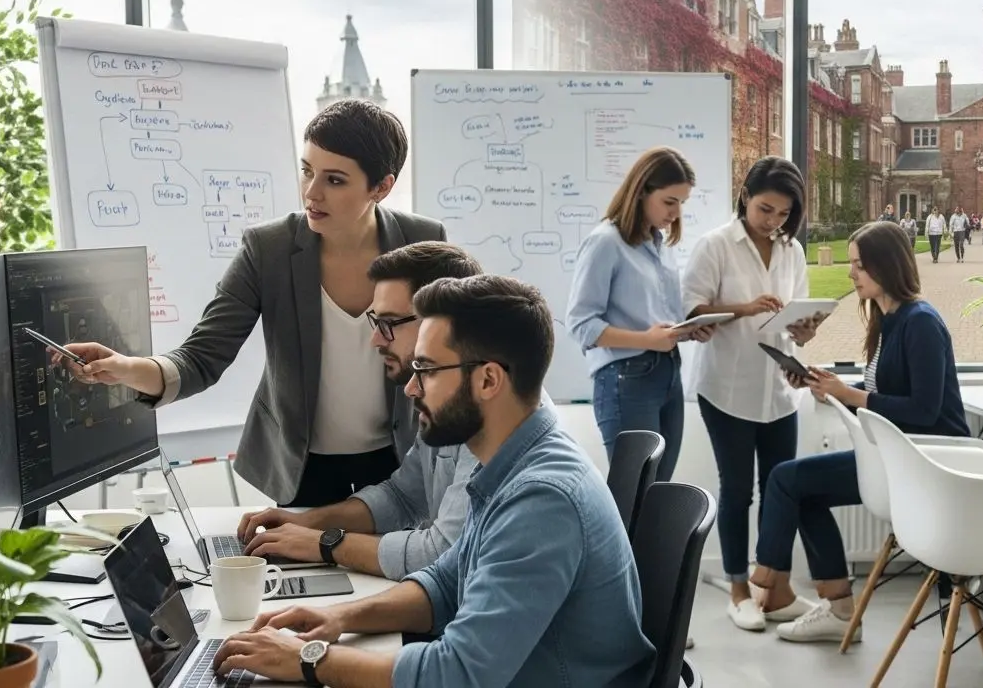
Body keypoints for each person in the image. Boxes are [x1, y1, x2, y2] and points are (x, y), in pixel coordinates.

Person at [212, 275, 655, 686]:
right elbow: (445, 584)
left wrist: (309, 659)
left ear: (487, 380)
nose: (410, 388)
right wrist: (338, 618)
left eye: (426, 370)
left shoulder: (541, 500)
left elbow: (458, 675)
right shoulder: (507, 463)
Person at [53, 99, 445, 507]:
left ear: (381, 187)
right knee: (302, 569)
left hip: (400, 459)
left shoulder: (424, 241)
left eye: (335, 180)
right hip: (301, 467)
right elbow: (203, 357)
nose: (312, 193)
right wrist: (124, 368)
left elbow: (454, 352)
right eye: (307, 171)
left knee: (396, 567)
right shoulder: (268, 248)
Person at [748, 220, 971, 644]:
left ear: (886, 266)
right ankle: (838, 608)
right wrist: (826, 387)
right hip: (896, 454)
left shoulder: (920, 322)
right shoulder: (888, 320)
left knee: (785, 480)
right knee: (800, 491)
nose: (851, 274)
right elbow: (879, 394)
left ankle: (766, 579)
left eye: (858, 265)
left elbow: (924, 411)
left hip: (926, 460)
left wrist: (846, 393)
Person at [233, 242, 482, 579]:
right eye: (374, 322)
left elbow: (443, 553)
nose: (376, 340)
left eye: (390, 323)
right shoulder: (443, 396)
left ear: (441, 323)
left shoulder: (489, 412)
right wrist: (304, 522)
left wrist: (325, 543)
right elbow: (402, 497)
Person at [682, 156, 824, 631]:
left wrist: (804, 331)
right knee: (738, 490)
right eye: (766, 210)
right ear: (745, 196)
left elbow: (796, 324)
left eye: (784, 214)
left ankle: (772, 588)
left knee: (780, 491)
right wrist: (745, 308)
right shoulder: (715, 246)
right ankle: (739, 588)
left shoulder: (792, 251)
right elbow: (692, 311)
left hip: (778, 389)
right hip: (727, 387)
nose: (774, 221)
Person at [566, 146, 715, 480]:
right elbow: (580, 323)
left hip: (667, 374)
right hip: (626, 379)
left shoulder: (658, 245)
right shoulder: (605, 242)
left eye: (682, 203)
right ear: (641, 191)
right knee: (634, 496)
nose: (676, 212)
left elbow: (659, 319)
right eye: (669, 201)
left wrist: (688, 329)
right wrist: (646, 339)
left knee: (657, 496)